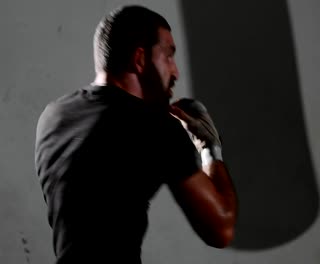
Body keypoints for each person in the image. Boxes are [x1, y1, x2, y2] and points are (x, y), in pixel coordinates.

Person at [35, 5, 237, 264]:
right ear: (140, 59)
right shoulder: (155, 126)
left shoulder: (53, 117)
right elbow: (221, 229)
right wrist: (209, 146)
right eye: (168, 57)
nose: (175, 72)